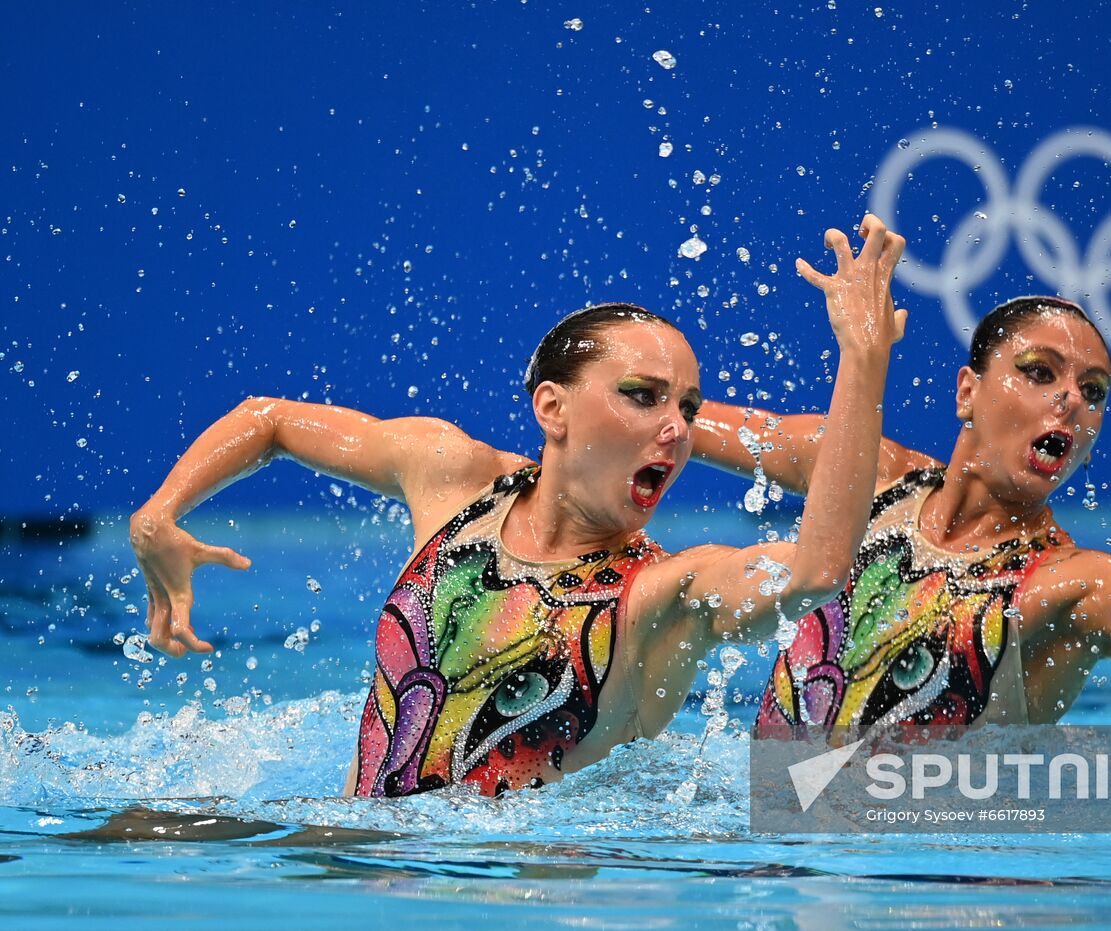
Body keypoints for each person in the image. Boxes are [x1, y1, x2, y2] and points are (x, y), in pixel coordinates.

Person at [128, 215, 908, 796]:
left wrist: (862, 359)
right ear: (552, 407)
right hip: (367, 869)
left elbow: (815, 568)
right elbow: (270, 421)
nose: (676, 428)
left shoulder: (659, 597)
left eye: (689, 407)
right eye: (641, 396)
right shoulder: (454, 481)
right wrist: (157, 515)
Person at [692, 291, 1111, 727]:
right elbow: (676, 425)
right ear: (967, 391)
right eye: (1039, 371)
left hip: (933, 871)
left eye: (1094, 391)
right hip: (778, 853)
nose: (1070, 400)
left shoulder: (1069, 586)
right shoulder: (866, 477)